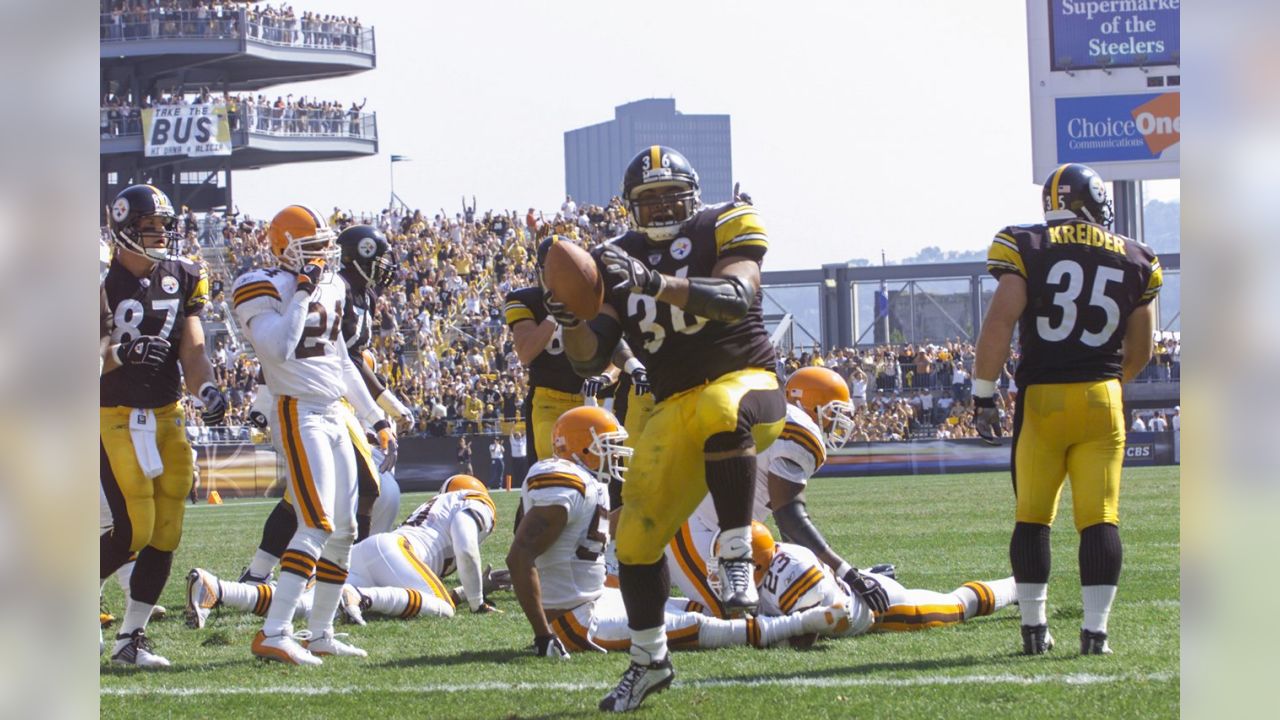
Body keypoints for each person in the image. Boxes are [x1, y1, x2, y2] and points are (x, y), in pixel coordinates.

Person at [555, 146, 785, 712]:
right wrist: (573, 319)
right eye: (648, 199)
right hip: (669, 405)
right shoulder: (614, 257)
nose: (660, 208)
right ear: (630, 206)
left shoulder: (726, 221)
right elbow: (590, 358)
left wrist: (653, 283)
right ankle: (648, 661)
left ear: (694, 194)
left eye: (670, 196)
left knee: (719, 408)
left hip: (747, 382)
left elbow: (737, 296)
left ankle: (734, 554)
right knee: (634, 539)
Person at [973, 162, 1161, 656]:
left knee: (1032, 516)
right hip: (1101, 397)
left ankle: (1035, 630)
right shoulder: (1138, 257)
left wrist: (983, 392)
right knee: (1100, 518)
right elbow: (1143, 349)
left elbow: (999, 323)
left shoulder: (1026, 244)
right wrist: (1107, 384)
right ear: (1094, 200)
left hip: (1042, 402)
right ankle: (1095, 634)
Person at [506, 408, 847, 660]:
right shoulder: (560, 478)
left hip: (593, 599)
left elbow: (594, 531)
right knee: (695, 627)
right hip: (575, 620)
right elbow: (520, 555)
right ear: (581, 446)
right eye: (607, 444)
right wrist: (543, 635)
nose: (617, 452)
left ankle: (780, 615)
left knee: (691, 606)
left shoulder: (586, 483)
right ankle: (800, 625)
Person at [231, 204, 397, 665]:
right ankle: (274, 631)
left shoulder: (335, 285)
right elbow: (278, 348)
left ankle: (320, 632)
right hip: (297, 410)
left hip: (334, 411)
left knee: (344, 530)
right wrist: (301, 294)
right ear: (285, 249)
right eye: (312, 247)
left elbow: (342, 360)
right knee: (317, 522)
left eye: (326, 245)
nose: (323, 255)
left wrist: (375, 416)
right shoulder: (258, 286)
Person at [101, 184, 229, 667]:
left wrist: (209, 391)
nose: (159, 237)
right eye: (148, 228)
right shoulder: (96, 278)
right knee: (134, 528)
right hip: (109, 413)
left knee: (167, 529)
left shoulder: (184, 275)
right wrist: (121, 352)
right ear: (123, 229)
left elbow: (193, 351)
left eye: (163, 228)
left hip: (167, 412)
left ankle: (130, 639)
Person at [666, 367, 894, 618]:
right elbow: (790, 517)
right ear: (809, 403)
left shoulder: (773, 416)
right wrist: (846, 573)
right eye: (833, 412)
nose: (838, 422)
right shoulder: (799, 427)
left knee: (797, 589)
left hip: (712, 528)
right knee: (737, 619)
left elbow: (790, 534)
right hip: (696, 531)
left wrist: (844, 573)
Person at [187, 475, 504, 626]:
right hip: (398, 551)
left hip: (375, 552)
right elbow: (465, 545)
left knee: (307, 606)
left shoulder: (437, 505)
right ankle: (362, 598)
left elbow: (417, 586)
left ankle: (216, 589)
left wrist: (467, 588)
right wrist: (477, 602)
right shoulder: (474, 502)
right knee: (442, 609)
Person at [751, 523, 1015, 637]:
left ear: (758, 563)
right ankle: (871, 573)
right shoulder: (770, 555)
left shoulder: (792, 576)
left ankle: (1018, 586)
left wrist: (753, 632)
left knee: (958, 606)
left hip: (882, 609)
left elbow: (804, 637)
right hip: (847, 587)